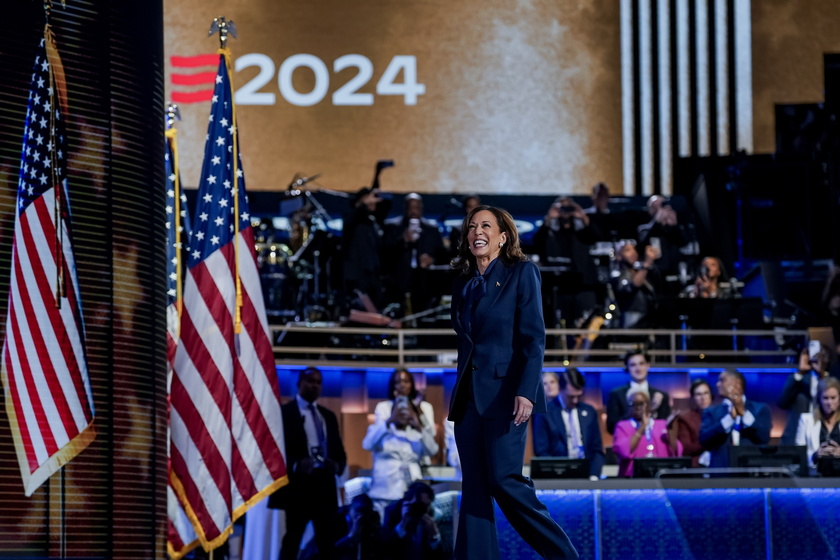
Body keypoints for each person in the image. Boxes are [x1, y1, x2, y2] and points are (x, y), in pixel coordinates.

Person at [448, 205, 578, 560]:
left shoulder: (522, 272)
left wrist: (526, 390)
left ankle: (563, 555)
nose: (477, 231)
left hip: (507, 395)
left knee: (504, 480)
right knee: (474, 488)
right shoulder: (462, 283)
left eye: (486, 225)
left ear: (503, 237)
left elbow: (533, 339)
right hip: (469, 400)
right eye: (472, 226)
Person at [268, 367, 347, 560]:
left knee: (327, 542)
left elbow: (339, 451)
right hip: (298, 486)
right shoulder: (284, 413)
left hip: (324, 485)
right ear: (299, 384)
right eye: (310, 381)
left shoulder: (327, 416)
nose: (314, 386)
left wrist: (336, 466)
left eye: (318, 382)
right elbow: (274, 450)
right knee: (292, 541)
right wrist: (296, 465)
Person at [362, 367, 439, 517]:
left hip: (412, 489)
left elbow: (432, 449)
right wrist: (390, 420)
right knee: (386, 533)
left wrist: (418, 423)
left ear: (412, 384)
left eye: (406, 381)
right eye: (397, 382)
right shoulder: (384, 409)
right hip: (385, 488)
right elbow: (368, 444)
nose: (402, 385)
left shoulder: (422, 410)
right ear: (392, 386)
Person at [532, 197, 600, 329]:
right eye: (561, 208)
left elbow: (597, 237)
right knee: (558, 323)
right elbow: (537, 243)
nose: (565, 211)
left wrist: (583, 216)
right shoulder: (549, 230)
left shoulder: (582, 230)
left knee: (586, 324)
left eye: (569, 207)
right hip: (557, 287)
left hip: (583, 286)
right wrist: (549, 219)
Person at [532, 368, 605, 479]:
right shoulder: (545, 413)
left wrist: (594, 476)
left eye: (579, 396)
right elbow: (541, 451)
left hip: (587, 474)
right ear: (560, 389)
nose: (575, 400)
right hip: (557, 475)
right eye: (571, 396)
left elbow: (597, 449)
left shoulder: (589, 411)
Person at [381, 193, 445, 314]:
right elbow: (384, 253)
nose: (413, 211)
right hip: (398, 282)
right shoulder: (392, 227)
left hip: (424, 282)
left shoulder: (431, 229)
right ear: (404, 208)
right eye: (410, 207)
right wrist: (404, 240)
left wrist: (431, 259)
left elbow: (442, 254)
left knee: (422, 315)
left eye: (416, 207)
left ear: (421, 208)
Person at [699, 369, 772, 469]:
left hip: (751, 473)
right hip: (720, 473)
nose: (717, 384)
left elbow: (764, 438)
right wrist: (729, 419)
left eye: (722, 380)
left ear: (737, 383)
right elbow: (704, 440)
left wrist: (744, 414)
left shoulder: (760, 409)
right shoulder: (711, 412)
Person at [612, 389, 682, 477]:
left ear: (648, 405)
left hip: (660, 476)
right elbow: (624, 451)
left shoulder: (661, 424)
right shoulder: (622, 426)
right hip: (632, 478)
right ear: (627, 407)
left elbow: (676, 453)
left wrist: (671, 429)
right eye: (632, 404)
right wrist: (642, 427)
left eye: (641, 403)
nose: (637, 407)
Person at [342, 186, 390, 309]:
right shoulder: (352, 221)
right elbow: (352, 219)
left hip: (373, 274)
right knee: (359, 310)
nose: (373, 201)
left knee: (375, 309)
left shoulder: (373, 222)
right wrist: (362, 205)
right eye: (369, 199)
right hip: (357, 275)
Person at [778, 342, 833, 445]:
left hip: (823, 438)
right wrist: (800, 372)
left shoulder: (833, 382)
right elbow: (782, 403)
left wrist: (822, 374)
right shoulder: (798, 380)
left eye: (821, 355)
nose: (816, 358)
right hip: (795, 438)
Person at [606, 349, 671, 434]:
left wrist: (654, 411)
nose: (638, 368)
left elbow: (666, 427)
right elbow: (611, 427)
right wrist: (632, 412)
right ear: (627, 368)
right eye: (633, 365)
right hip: (628, 442)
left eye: (641, 363)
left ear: (648, 365)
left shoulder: (661, 396)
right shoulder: (617, 394)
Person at [381, 481, 448, 560]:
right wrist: (402, 524)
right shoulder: (393, 511)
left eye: (426, 505)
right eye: (418, 504)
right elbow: (385, 548)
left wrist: (434, 535)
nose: (421, 509)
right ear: (407, 501)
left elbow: (442, 554)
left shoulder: (435, 515)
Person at [610, 239, 663, 330]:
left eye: (634, 249)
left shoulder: (640, 271)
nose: (633, 253)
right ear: (618, 255)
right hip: (631, 317)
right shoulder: (617, 273)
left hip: (648, 316)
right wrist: (646, 264)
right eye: (627, 250)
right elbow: (630, 288)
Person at [795, 377, 840, 475]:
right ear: (819, 399)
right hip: (816, 477)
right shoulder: (806, 420)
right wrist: (815, 455)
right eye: (825, 398)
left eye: (833, 398)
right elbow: (800, 456)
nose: (829, 403)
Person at [668, 379, 714, 467]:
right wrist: (711, 441)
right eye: (698, 394)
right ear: (693, 398)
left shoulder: (720, 415)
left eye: (706, 393)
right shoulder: (686, 419)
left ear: (711, 395)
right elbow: (686, 448)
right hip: (697, 465)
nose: (703, 398)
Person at [335, 493, 384, 560]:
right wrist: (352, 534)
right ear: (350, 509)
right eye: (358, 512)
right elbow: (333, 550)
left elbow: (380, 544)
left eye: (365, 512)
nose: (361, 516)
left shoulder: (371, 518)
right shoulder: (337, 521)